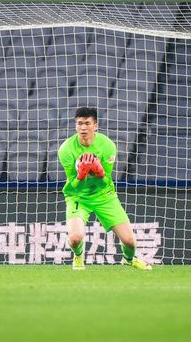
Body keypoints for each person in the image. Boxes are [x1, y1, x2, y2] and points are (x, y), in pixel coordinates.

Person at [58, 107, 151, 271]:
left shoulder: (108, 146)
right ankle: (78, 256)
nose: (83, 128)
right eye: (79, 124)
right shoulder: (66, 149)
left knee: (130, 241)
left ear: (95, 126)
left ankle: (128, 260)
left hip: (104, 196)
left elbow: (105, 182)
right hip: (79, 198)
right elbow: (73, 184)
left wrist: (99, 172)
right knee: (75, 238)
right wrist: (81, 175)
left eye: (87, 123)